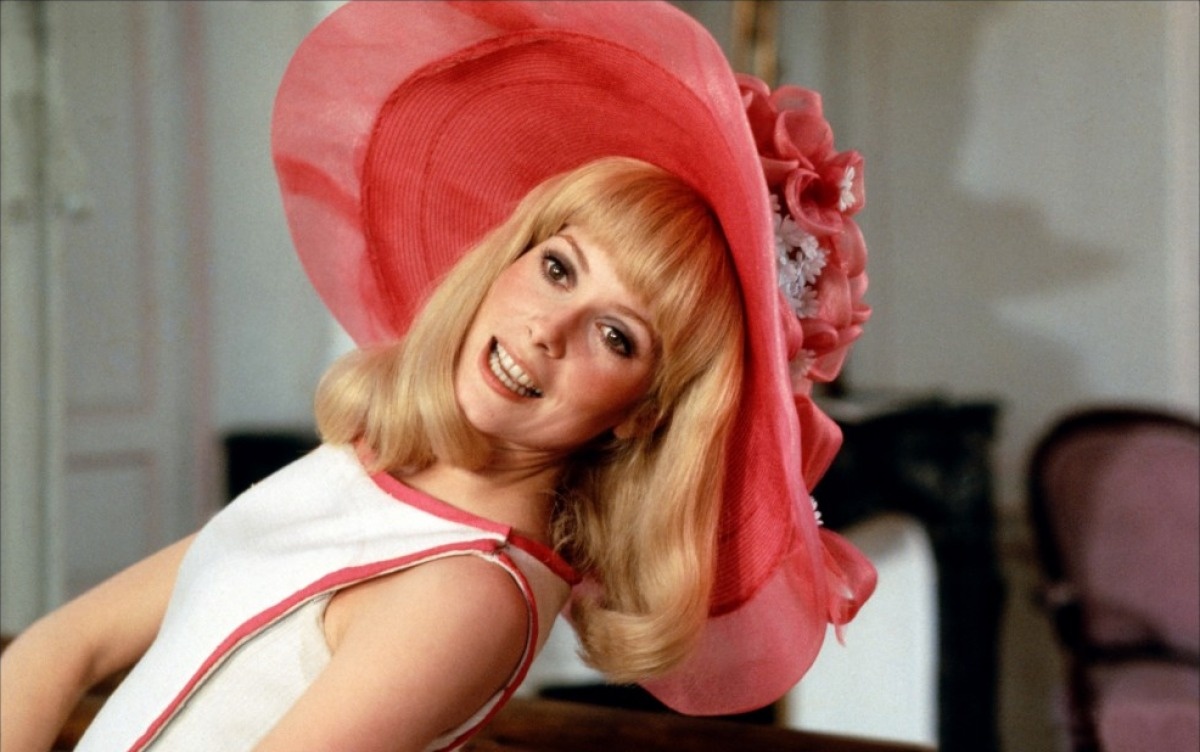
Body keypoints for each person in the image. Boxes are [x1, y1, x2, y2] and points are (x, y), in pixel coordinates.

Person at [0, 2, 877, 750]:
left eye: (615, 336)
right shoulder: (376, 460)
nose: (546, 331)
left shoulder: (472, 593)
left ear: (642, 414)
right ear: (508, 257)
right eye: (559, 268)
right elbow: (56, 649)